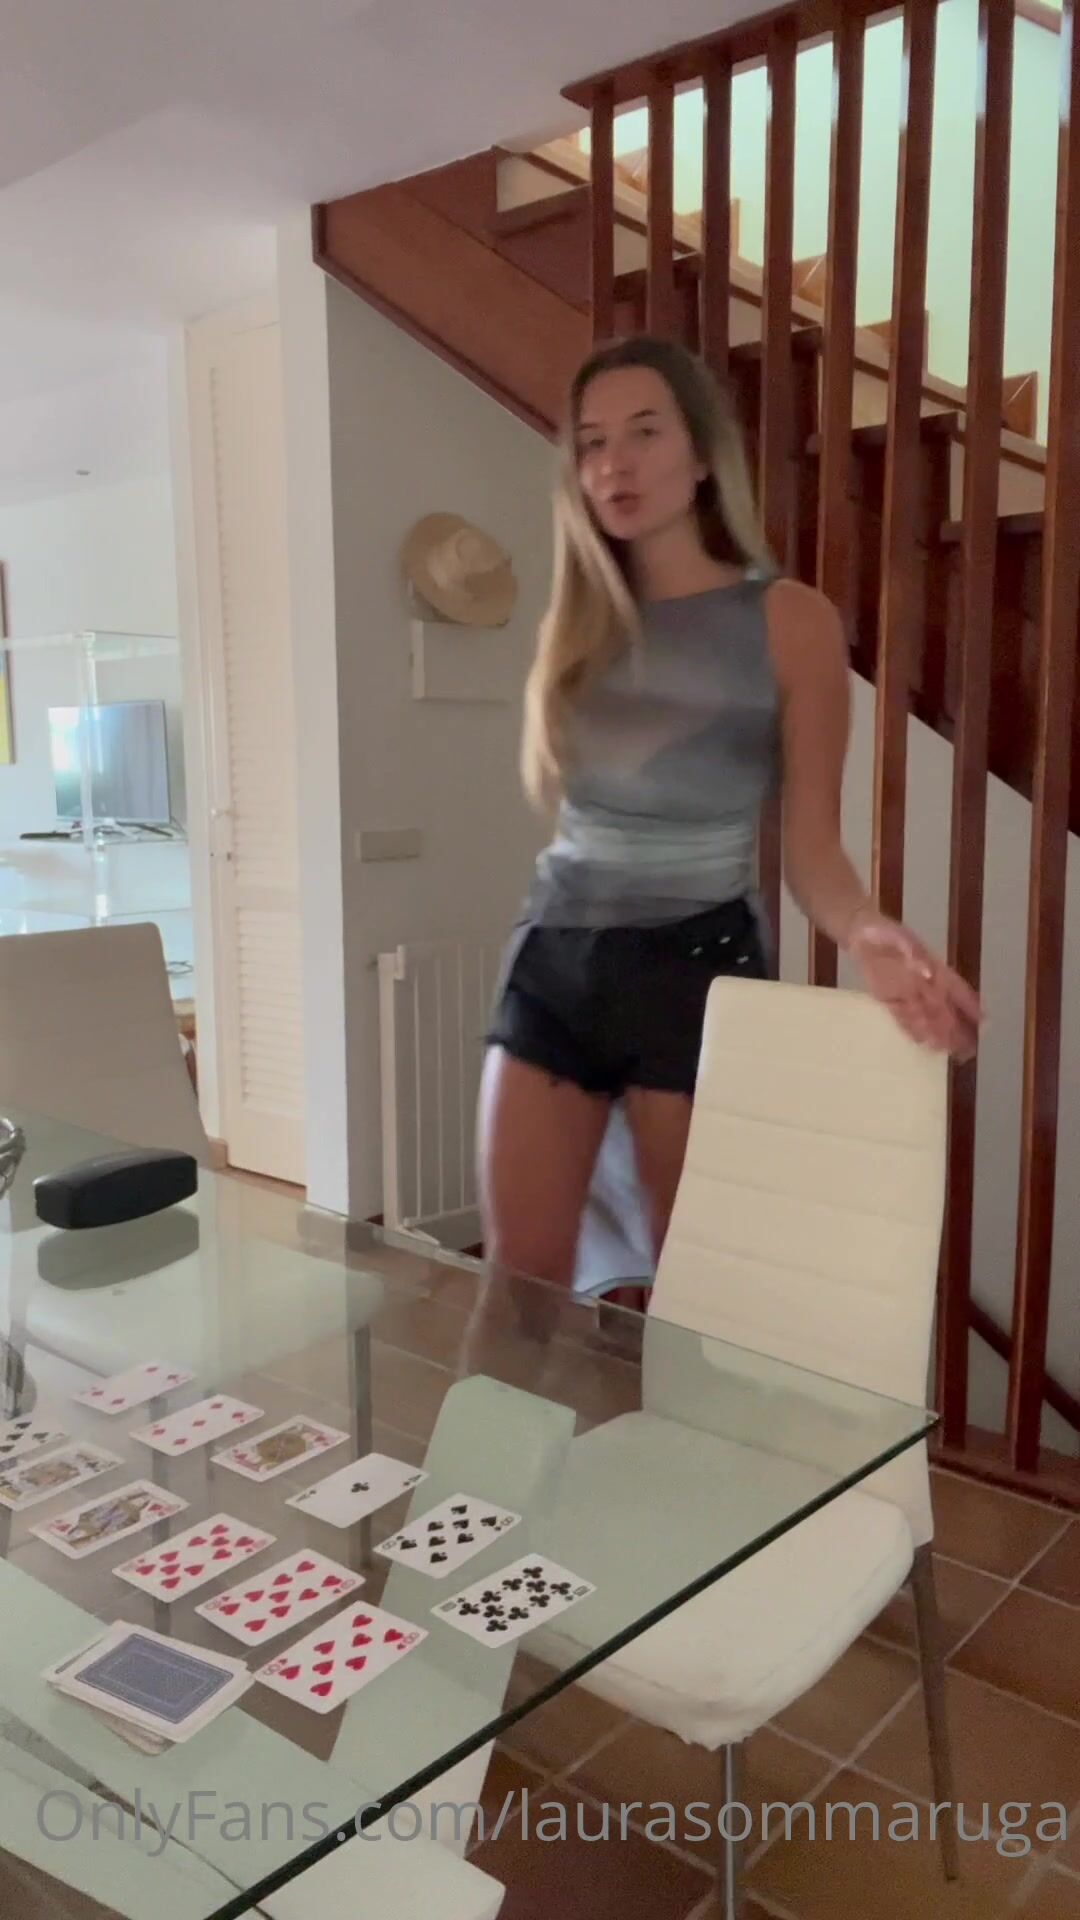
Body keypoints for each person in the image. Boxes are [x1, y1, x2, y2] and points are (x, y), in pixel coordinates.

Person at [478, 334, 983, 1292]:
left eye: (644, 432)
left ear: (702, 456)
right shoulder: (578, 621)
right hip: (555, 960)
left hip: (696, 971)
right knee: (519, 1287)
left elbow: (812, 848)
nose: (615, 463)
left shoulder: (789, 621)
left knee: (703, 1295)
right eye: (592, 443)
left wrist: (868, 931)